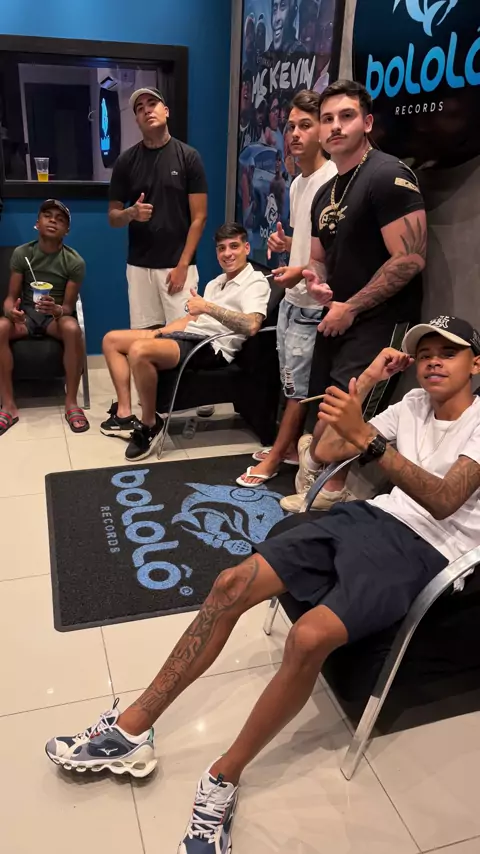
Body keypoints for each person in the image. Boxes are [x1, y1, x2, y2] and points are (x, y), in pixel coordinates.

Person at [45, 317, 480, 854]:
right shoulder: (411, 404)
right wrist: (367, 382)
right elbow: (324, 452)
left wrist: (368, 440)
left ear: (475, 365)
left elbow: (445, 499)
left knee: (308, 638)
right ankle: (133, 728)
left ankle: (224, 777)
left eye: (448, 353)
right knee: (230, 583)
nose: (433, 361)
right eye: (425, 352)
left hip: (427, 548)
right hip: (372, 518)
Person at [281, 79, 427, 512]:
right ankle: (325, 483)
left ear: (367, 122)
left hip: (381, 319)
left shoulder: (387, 175)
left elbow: (410, 258)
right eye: (327, 118)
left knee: (352, 409)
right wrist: (317, 282)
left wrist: (352, 306)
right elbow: (319, 258)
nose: (335, 126)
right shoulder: (325, 191)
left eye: (346, 116)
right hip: (337, 315)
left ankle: (332, 496)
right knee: (329, 407)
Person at [99, 223, 270, 461]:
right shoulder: (216, 282)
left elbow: (251, 325)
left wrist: (207, 307)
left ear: (247, 248)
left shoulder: (255, 282)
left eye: (234, 246)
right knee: (111, 341)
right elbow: (191, 318)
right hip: (191, 334)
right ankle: (125, 415)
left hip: (212, 346)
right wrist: (160, 332)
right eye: (221, 248)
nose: (227, 253)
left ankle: (150, 424)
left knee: (139, 351)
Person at [237, 90, 336, 486]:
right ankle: (291, 447)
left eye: (305, 125)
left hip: (314, 301)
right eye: (291, 126)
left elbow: (334, 251)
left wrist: (302, 269)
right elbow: (311, 241)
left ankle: (277, 455)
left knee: (298, 388)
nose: (294, 133)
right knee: (290, 380)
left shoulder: (333, 180)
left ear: (322, 130)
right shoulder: (297, 183)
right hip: (293, 299)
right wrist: (286, 243)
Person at [108, 87, 208, 331]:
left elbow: (200, 217)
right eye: (140, 108)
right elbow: (113, 217)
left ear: (166, 111)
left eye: (152, 104)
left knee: (183, 335)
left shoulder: (189, 157)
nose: (146, 111)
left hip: (178, 265)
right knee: (143, 337)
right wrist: (131, 213)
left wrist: (183, 265)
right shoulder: (125, 162)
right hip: (139, 267)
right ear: (136, 120)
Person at [0, 200, 88, 435]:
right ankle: (8, 406)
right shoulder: (23, 254)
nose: (52, 221)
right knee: (0, 327)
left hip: (54, 318)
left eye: (60, 220)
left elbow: (68, 307)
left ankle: (72, 404)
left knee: (72, 328)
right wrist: (11, 312)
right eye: (47, 216)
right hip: (26, 316)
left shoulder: (74, 261)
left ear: (66, 230)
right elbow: (10, 298)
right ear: (37, 223)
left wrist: (57, 310)